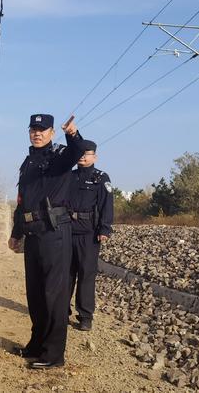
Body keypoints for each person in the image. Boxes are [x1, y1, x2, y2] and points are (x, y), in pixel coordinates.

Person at [8, 113, 86, 370]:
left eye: (42, 130)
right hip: (32, 233)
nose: (37, 133)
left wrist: (73, 134)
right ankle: (36, 345)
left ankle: (54, 355)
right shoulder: (28, 162)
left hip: (54, 232)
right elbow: (22, 202)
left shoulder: (59, 156)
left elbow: (77, 152)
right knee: (36, 293)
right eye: (33, 129)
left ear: (52, 133)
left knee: (54, 295)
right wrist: (16, 232)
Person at [68, 140, 113, 332]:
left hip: (89, 233)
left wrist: (104, 229)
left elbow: (107, 205)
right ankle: (62, 312)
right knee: (65, 274)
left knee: (86, 275)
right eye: (80, 153)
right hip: (67, 230)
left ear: (94, 156)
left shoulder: (100, 178)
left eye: (87, 154)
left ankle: (85, 316)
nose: (83, 157)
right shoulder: (69, 176)